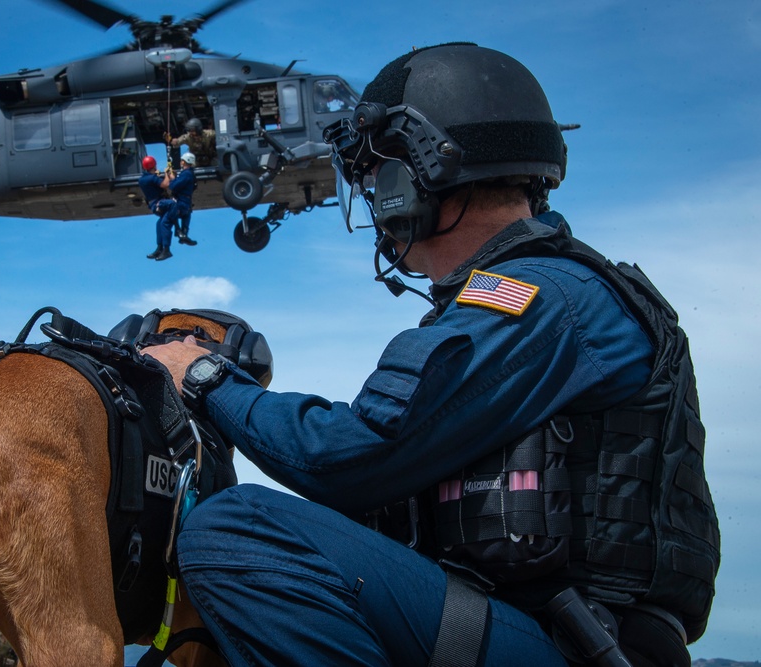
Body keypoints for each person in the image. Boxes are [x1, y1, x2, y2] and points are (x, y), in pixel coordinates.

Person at [145, 43, 719, 667]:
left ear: (410, 179)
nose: (371, 200)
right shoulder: (544, 301)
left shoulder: (544, 300)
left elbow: (345, 456)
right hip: (532, 626)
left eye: (374, 178)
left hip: (569, 644)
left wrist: (200, 374)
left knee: (236, 530)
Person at [137, 155, 176, 261]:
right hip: (161, 204)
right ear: (153, 166)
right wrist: (167, 174)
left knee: (159, 223)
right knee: (170, 212)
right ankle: (166, 249)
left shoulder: (142, 179)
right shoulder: (152, 178)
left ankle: (160, 248)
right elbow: (166, 184)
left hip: (155, 206)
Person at [163, 152, 198, 247]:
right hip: (187, 200)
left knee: (170, 212)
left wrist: (172, 178)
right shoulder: (190, 174)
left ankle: (179, 232)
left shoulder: (186, 174)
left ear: (186, 161)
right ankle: (184, 234)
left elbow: (173, 186)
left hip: (182, 200)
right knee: (186, 215)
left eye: (182, 160)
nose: (181, 162)